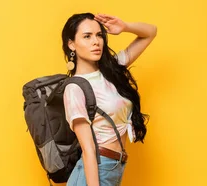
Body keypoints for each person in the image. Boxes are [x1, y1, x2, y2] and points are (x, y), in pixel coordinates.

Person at [61, 12, 157, 186]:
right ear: (71, 44)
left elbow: (150, 32)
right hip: (95, 172)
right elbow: (88, 150)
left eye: (99, 35)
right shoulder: (75, 88)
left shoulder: (112, 70)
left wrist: (125, 26)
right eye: (87, 36)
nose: (96, 42)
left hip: (115, 167)